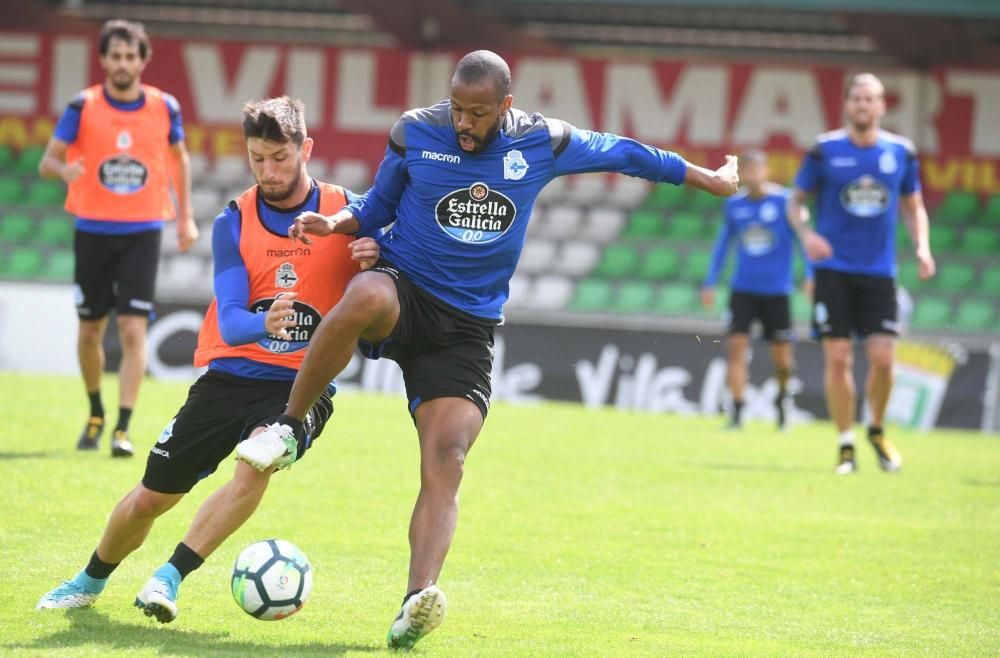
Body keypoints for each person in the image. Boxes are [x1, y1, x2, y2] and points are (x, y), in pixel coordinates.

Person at [233, 50, 739, 650]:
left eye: (478, 113)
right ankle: (289, 428)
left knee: (447, 459)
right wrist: (337, 224)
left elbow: (627, 153)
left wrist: (709, 179)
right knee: (366, 293)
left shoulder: (544, 142)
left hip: (467, 327)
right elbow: (377, 207)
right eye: (458, 110)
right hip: (407, 289)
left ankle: (414, 601)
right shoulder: (416, 131)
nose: (465, 124)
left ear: (506, 105)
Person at [36, 97, 380, 622]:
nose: (268, 171)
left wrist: (373, 254)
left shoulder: (348, 213)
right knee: (153, 495)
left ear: (306, 149)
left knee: (255, 464)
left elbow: (389, 275)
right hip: (229, 377)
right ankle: (87, 580)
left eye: (280, 158)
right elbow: (233, 317)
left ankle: (168, 576)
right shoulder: (232, 221)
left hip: (300, 388)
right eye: (257, 159)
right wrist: (265, 323)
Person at [38, 19, 198, 458]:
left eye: (132, 56)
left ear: (143, 60)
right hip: (91, 230)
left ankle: (122, 428)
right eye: (116, 55)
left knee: (132, 327)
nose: (124, 63)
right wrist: (63, 170)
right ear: (104, 59)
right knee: (90, 329)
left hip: (143, 230)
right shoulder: (82, 105)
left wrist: (186, 218)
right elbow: (47, 162)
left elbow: (180, 160)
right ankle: (95, 412)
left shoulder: (164, 107)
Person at [787, 72, 936, 475]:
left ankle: (876, 430)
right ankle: (845, 444)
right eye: (856, 98)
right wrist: (806, 234)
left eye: (870, 99)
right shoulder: (823, 150)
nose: (863, 105)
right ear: (847, 105)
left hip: (879, 272)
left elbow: (913, 206)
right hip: (832, 269)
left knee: (884, 358)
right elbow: (795, 202)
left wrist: (922, 245)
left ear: (883, 106)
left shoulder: (901, 153)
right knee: (838, 358)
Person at [701, 149, 814, 431]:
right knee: (736, 348)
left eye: (757, 170)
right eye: (747, 170)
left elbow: (804, 241)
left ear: (766, 172)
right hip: (743, 290)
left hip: (777, 291)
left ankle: (783, 400)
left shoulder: (785, 201)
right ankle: (737, 411)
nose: (752, 175)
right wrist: (710, 281)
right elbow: (722, 246)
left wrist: (810, 275)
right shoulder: (734, 206)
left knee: (782, 355)